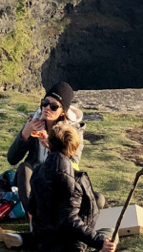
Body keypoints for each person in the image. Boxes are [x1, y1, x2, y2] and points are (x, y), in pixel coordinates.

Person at [23, 121, 115, 252]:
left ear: (50, 144)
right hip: (69, 250)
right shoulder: (76, 179)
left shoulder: (38, 172)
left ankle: (25, 239)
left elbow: (32, 208)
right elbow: (70, 220)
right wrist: (99, 242)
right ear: (74, 149)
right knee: (111, 232)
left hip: (43, 245)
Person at [6, 81, 87, 214]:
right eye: (44, 103)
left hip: (58, 182)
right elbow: (12, 159)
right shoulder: (34, 122)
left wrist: (51, 148)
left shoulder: (72, 131)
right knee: (24, 168)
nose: (47, 108)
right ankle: (33, 218)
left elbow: (72, 166)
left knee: (97, 199)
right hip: (35, 181)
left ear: (63, 112)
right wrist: (25, 133)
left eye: (54, 106)